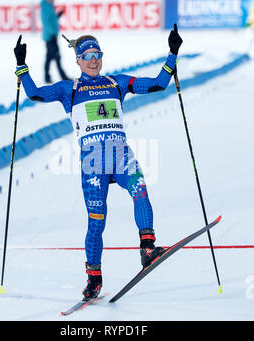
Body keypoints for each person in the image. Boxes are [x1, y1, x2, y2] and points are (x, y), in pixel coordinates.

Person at [14, 25, 183, 301]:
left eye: (97, 54)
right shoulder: (69, 88)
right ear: (78, 60)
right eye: (88, 55)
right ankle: (94, 278)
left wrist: (172, 53)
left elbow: (157, 84)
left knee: (140, 192)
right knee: (97, 222)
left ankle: (148, 248)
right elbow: (34, 94)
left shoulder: (117, 82)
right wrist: (22, 65)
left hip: (121, 154)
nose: (93, 60)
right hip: (93, 162)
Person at [40, 0, 70, 83]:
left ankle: (47, 77)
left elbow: (51, 19)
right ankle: (63, 76)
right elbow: (46, 22)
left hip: (51, 36)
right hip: (50, 37)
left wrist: (57, 16)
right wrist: (52, 34)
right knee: (57, 57)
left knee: (49, 58)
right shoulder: (46, 7)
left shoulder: (49, 6)